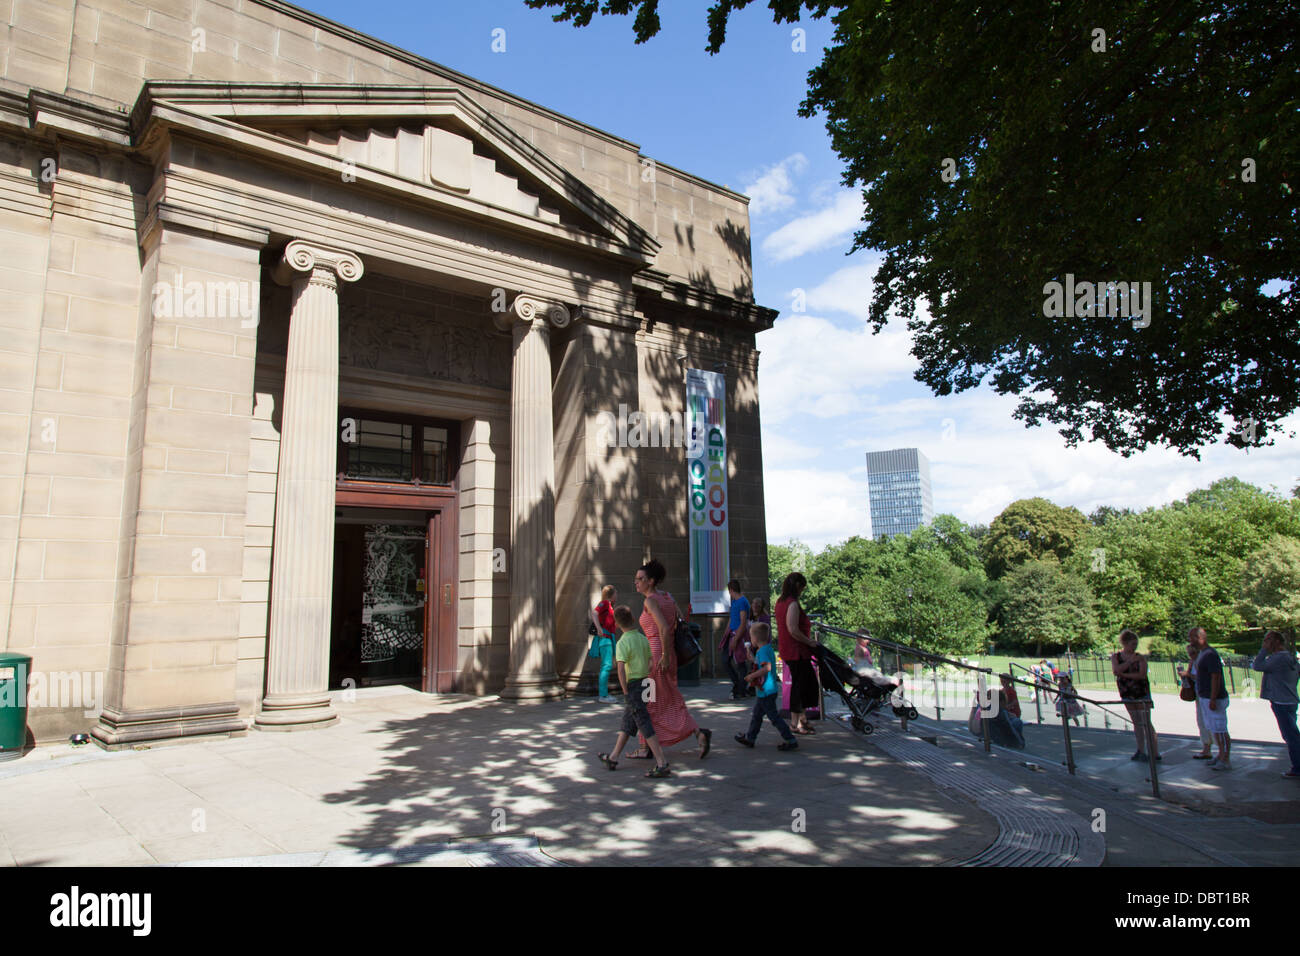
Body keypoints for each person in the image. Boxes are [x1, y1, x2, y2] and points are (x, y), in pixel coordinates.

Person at [627, 559, 711, 759]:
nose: (636, 582)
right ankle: (693, 735)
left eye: (641, 579)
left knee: (649, 701)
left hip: (656, 656)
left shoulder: (650, 601)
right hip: (667, 654)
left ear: (651, 581)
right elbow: (678, 621)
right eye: (636, 579)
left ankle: (648, 746)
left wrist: (663, 656)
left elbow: (664, 627)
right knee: (665, 699)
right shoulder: (668, 597)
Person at [597, 605, 671, 777]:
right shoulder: (642, 638)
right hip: (647, 682)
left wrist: (624, 690)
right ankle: (614, 757)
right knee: (629, 721)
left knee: (643, 722)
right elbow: (652, 662)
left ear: (616, 624)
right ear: (632, 619)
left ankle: (662, 762)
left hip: (634, 686)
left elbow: (621, 669)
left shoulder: (623, 642)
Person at [734, 622, 798, 751]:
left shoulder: (762, 651)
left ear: (755, 638)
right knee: (757, 715)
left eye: (751, 637)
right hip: (766, 690)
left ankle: (790, 739)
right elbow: (762, 663)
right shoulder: (766, 649)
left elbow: (766, 667)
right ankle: (750, 738)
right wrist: (752, 659)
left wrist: (751, 676)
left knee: (773, 717)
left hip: (766, 690)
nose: (750, 639)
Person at [776, 571, 819, 735]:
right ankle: (796, 723)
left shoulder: (780, 602)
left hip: (789, 649)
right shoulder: (792, 604)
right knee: (800, 687)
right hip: (797, 651)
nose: (802, 591)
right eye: (802, 588)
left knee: (804, 684)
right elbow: (793, 629)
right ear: (798, 586)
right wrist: (809, 642)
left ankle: (802, 719)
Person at [1253, 630, 1300, 779]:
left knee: (1291, 736)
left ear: (1277, 642)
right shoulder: (1289, 657)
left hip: (1282, 702)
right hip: (1289, 700)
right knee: (1292, 735)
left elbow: (1257, 665)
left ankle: (1297, 768)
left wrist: (1263, 650)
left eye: (1268, 640)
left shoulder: (1278, 658)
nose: (1265, 643)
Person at [1111, 629, 1159, 761]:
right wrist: (1129, 662)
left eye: (1135, 643)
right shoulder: (1116, 657)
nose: (1134, 646)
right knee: (1136, 722)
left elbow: (1141, 675)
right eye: (1132, 644)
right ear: (1125, 643)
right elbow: (1116, 670)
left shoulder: (1140, 657)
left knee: (1146, 721)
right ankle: (1140, 749)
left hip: (1141, 691)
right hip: (1127, 691)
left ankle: (1154, 751)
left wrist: (1125, 673)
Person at [1191, 626, 1231, 771]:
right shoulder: (1202, 654)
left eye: (1192, 638)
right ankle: (1220, 755)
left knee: (1220, 728)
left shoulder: (1210, 655)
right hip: (1205, 696)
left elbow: (1216, 676)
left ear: (1200, 638)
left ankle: (1225, 758)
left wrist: (1213, 698)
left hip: (1214, 697)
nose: (1190, 641)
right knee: (1214, 728)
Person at [1177, 640, 1213, 759]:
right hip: (1198, 694)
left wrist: (1188, 675)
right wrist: (1185, 677)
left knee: (1211, 722)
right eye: (1189, 653)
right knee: (1201, 721)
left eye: (1193, 653)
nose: (1191, 655)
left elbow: (1204, 677)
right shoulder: (1193, 662)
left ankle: (1218, 749)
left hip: (1207, 694)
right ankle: (1206, 747)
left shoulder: (1203, 661)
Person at [589, 585, 618, 702]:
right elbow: (594, 613)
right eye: (616, 593)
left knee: (606, 666)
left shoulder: (609, 605)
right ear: (611, 594)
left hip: (608, 637)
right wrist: (599, 629)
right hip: (605, 638)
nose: (617, 595)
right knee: (606, 666)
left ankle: (604, 694)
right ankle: (603, 695)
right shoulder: (605, 603)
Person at [724, 580, 752, 699]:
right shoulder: (735, 601)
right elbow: (732, 618)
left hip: (739, 634)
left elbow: (743, 621)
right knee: (726, 660)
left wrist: (736, 639)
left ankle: (741, 688)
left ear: (731, 590)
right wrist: (726, 632)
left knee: (740, 662)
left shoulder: (742, 602)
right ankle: (739, 685)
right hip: (732, 633)